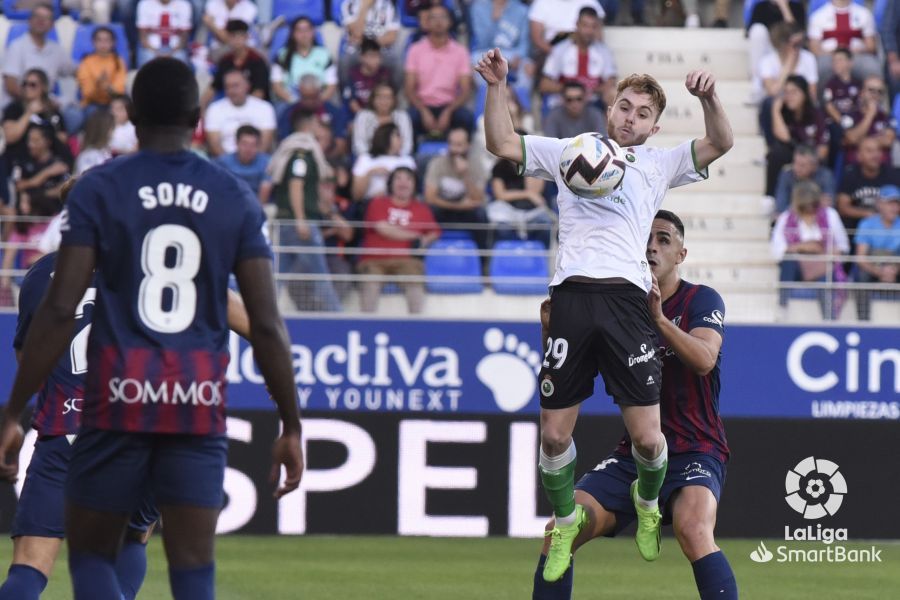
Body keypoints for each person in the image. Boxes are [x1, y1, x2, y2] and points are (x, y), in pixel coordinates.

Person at [0, 57, 304, 600]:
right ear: (198, 118)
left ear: (132, 114)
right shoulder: (231, 195)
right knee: (190, 572)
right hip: (192, 407)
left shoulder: (102, 195)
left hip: (112, 406)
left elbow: (55, 314)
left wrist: (11, 413)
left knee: (83, 560)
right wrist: (292, 423)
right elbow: (267, 325)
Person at [475, 47, 732, 580]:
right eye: (624, 107)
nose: (630, 118)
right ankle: (568, 520)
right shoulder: (572, 150)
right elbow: (500, 143)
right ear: (609, 108)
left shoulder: (660, 163)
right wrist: (497, 86)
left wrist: (708, 98)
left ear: (655, 124)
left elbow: (721, 142)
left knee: (646, 440)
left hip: (626, 302)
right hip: (570, 296)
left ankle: (645, 504)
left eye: (642, 113)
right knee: (551, 437)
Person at [532, 210, 737, 599]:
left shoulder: (701, 298)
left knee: (693, 530)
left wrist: (659, 320)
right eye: (646, 239)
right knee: (559, 531)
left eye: (663, 239)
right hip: (635, 455)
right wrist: (550, 332)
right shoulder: (615, 307)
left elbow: (704, 359)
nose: (651, 247)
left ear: (681, 253)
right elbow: (575, 371)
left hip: (696, 446)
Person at [269, 108, 343, 312]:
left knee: (278, 274)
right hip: (298, 222)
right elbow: (296, 184)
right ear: (309, 124)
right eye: (317, 123)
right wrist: (301, 218)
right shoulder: (302, 154)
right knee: (319, 273)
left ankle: (262, 312)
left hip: (287, 221)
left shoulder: (293, 150)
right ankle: (339, 318)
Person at [357, 166, 441, 313]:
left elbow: (434, 232)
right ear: (391, 183)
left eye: (408, 179)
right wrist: (415, 236)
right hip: (374, 260)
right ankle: (366, 327)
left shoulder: (422, 209)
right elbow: (382, 228)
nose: (403, 183)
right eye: (398, 178)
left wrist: (426, 240)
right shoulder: (377, 203)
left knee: (415, 283)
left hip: (406, 261)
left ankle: (416, 328)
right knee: (370, 284)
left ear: (415, 184)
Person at [771, 180, 850, 320]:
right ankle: (782, 308)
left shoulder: (830, 215)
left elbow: (843, 246)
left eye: (813, 205)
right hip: (798, 267)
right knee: (788, 263)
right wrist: (804, 247)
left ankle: (829, 319)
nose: (809, 209)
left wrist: (823, 251)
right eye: (804, 206)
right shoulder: (786, 218)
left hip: (823, 265)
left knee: (826, 280)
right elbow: (777, 251)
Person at [404, 4, 474, 139]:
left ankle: (463, 159)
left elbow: (465, 90)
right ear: (427, 22)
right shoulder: (415, 50)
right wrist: (423, 111)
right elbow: (409, 89)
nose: (438, 22)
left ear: (450, 22)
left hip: (450, 106)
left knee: (466, 118)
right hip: (422, 105)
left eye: (443, 17)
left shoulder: (460, 52)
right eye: (433, 18)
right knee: (406, 120)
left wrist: (448, 111)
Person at [423, 126, 490, 250]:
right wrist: (459, 206)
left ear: (468, 146)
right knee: (429, 211)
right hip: (444, 208)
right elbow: (430, 198)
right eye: (451, 144)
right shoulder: (437, 163)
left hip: (467, 212)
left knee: (480, 214)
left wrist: (465, 175)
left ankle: (482, 260)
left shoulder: (477, 165)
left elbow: (478, 199)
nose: (454, 149)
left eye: (459, 145)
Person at [539, 7, 617, 109]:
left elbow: (611, 81)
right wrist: (571, 91)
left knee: (613, 94)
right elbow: (544, 84)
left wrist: (589, 92)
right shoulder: (560, 50)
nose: (589, 31)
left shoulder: (603, 51)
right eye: (585, 25)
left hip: (592, 103)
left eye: (593, 26)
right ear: (577, 24)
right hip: (564, 102)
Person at [763, 75, 828, 197]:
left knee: (825, 171)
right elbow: (784, 137)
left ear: (804, 94)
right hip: (793, 153)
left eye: (794, 92)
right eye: (786, 92)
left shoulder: (816, 114)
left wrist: (809, 162)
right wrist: (775, 111)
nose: (789, 97)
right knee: (776, 153)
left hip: (812, 158)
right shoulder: (784, 113)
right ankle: (770, 197)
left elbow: (823, 149)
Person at [836, 136, 900, 237]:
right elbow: (843, 207)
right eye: (869, 151)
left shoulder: (893, 175)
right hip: (855, 230)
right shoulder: (850, 175)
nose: (875, 155)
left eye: (878, 150)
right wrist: (869, 215)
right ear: (859, 156)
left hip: (889, 232)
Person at [204, 68, 276, 157]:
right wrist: (230, 165)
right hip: (225, 162)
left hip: (258, 162)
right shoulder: (214, 109)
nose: (231, 91)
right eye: (227, 87)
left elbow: (265, 144)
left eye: (235, 86)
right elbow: (214, 144)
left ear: (247, 86)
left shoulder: (265, 108)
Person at [853, 185, 900, 321]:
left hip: (895, 267)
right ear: (879, 204)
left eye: (896, 203)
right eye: (889, 203)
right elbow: (860, 258)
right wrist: (880, 272)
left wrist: (894, 270)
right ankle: (864, 322)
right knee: (862, 279)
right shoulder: (867, 224)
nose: (894, 207)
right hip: (873, 267)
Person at [270, 17, 338, 107]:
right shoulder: (282, 56)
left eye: (307, 30)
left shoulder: (324, 55)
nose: (304, 34)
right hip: (289, 102)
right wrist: (293, 101)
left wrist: (317, 102)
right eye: (299, 30)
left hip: (319, 101)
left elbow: (331, 86)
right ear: (293, 34)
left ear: (313, 32)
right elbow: (276, 86)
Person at [202, 20, 270, 107]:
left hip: (254, 107)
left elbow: (259, 92)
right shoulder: (226, 60)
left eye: (240, 37)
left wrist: (243, 109)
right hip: (230, 105)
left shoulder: (257, 61)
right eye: (233, 36)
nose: (236, 40)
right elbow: (213, 87)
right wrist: (201, 107)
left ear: (246, 37)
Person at [839, 76, 896, 168]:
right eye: (871, 90)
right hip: (855, 168)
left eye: (879, 92)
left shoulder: (887, 117)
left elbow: (888, 141)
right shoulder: (849, 116)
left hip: (883, 170)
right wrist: (870, 115)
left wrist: (861, 140)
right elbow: (852, 139)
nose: (875, 94)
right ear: (861, 92)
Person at [351, 122, 416, 202]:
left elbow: (413, 191)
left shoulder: (407, 161)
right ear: (386, 137)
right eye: (397, 135)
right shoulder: (366, 159)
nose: (401, 139)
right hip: (369, 202)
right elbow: (356, 195)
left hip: (399, 203)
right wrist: (371, 172)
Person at [351, 82, 414, 158]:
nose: (384, 101)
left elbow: (407, 143)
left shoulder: (402, 116)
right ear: (373, 99)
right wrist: (370, 159)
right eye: (380, 97)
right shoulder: (363, 116)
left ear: (394, 100)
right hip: (368, 158)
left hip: (398, 158)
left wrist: (398, 158)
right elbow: (359, 143)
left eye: (388, 97)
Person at [75, 26, 128, 114]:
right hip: (92, 104)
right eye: (99, 40)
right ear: (93, 42)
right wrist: (98, 85)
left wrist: (108, 88)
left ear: (113, 43)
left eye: (107, 40)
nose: (103, 44)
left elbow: (120, 91)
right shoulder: (86, 62)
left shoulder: (118, 61)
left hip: (113, 103)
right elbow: (87, 93)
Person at [215, 124, 272, 203]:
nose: (248, 149)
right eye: (244, 144)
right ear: (236, 143)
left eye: (253, 145)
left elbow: (265, 189)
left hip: (259, 205)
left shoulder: (267, 162)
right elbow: (219, 189)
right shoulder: (223, 162)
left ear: (259, 146)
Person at [773, 145, 834, 216]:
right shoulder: (786, 174)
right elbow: (780, 207)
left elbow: (829, 205)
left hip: (818, 220)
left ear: (814, 166)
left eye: (802, 165)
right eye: (795, 163)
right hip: (791, 218)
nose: (797, 168)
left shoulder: (825, 175)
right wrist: (813, 203)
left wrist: (798, 205)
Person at [136, 0, 193, 66]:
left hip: (175, 49)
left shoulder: (184, 5)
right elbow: (143, 37)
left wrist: (171, 53)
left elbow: (184, 37)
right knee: (148, 57)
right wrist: (156, 53)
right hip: (151, 48)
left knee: (180, 57)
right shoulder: (145, 4)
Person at [542, 81, 607, 140]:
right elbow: (550, 143)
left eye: (579, 99)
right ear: (562, 100)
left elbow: (602, 141)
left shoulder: (595, 115)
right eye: (569, 99)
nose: (574, 104)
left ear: (585, 98)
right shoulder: (554, 116)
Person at [75, 109, 114, 175]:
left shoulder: (105, 150)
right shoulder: (88, 155)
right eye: (112, 128)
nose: (113, 132)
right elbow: (86, 180)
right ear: (104, 130)